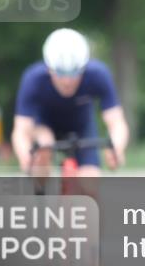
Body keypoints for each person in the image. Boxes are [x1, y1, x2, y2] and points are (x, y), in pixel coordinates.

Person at [11, 28, 129, 183]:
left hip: (81, 125)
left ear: (84, 68)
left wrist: (116, 148)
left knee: (90, 180)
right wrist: (25, 157)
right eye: (60, 73)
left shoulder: (99, 75)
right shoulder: (33, 79)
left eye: (74, 73)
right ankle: (40, 196)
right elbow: (21, 130)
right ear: (49, 68)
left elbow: (117, 122)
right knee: (44, 146)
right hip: (44, 124)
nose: (67, 81)